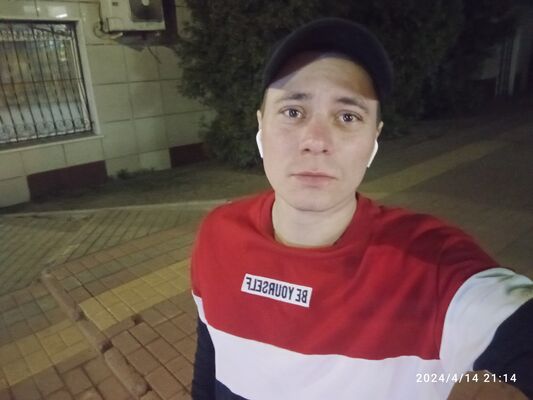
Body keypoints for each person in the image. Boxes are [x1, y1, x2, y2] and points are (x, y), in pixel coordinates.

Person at [189, 18, 533, 400]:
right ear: (260, 127)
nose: (316, 140)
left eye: (348, 116)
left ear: (374, 140)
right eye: (292, 111)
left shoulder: (430, 267)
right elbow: (210, 358)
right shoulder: (217, 233)